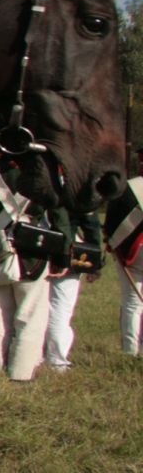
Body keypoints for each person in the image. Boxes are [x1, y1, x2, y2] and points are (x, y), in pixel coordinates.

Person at [0, 153, 68, 382]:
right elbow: (59, 214)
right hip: (32, 252)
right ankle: (21, 373)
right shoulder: (45, 173)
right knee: (30, 315)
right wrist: (62, 255)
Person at [44, 213, 102, 373]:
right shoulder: (78, 189)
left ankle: (35, 355)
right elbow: (90, 223)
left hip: (33, 243)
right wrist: (95, 262)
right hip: (65, 248)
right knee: (60, 309)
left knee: (37, 307)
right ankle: (56, 361)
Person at [107, 148, 143, 357]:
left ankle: (130, 351)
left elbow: (112, 223)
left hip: (134, 252)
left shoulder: (130, 188)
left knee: (132, 302)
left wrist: (114, 246)